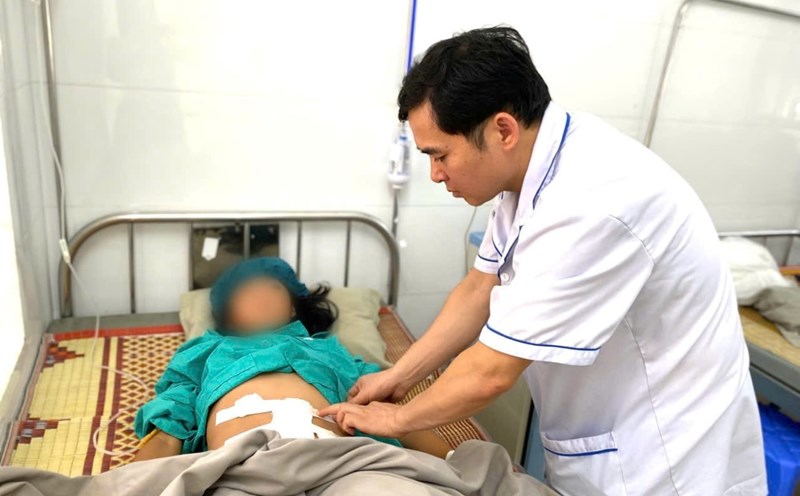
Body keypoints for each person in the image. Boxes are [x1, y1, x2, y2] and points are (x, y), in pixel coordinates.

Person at [319, 27, 767, 495]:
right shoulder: (531, 171)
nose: (434, 174)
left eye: (441, 155)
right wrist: (398, 375)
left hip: (664, 459)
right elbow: (480, 289)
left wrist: (400, 415)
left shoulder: (594, 199)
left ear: (503, 130)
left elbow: (491, 371)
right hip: (606, 442)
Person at [133, 257, 450, 462]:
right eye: (246, 292)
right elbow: (167, 430)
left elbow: (391, 415)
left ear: (293, 308)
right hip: (239, 467)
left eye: (272, 288)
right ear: (227, 311)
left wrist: (454, 463)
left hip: (340, 462)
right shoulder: (204, 353)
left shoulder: (331, 352)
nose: (261, 296)